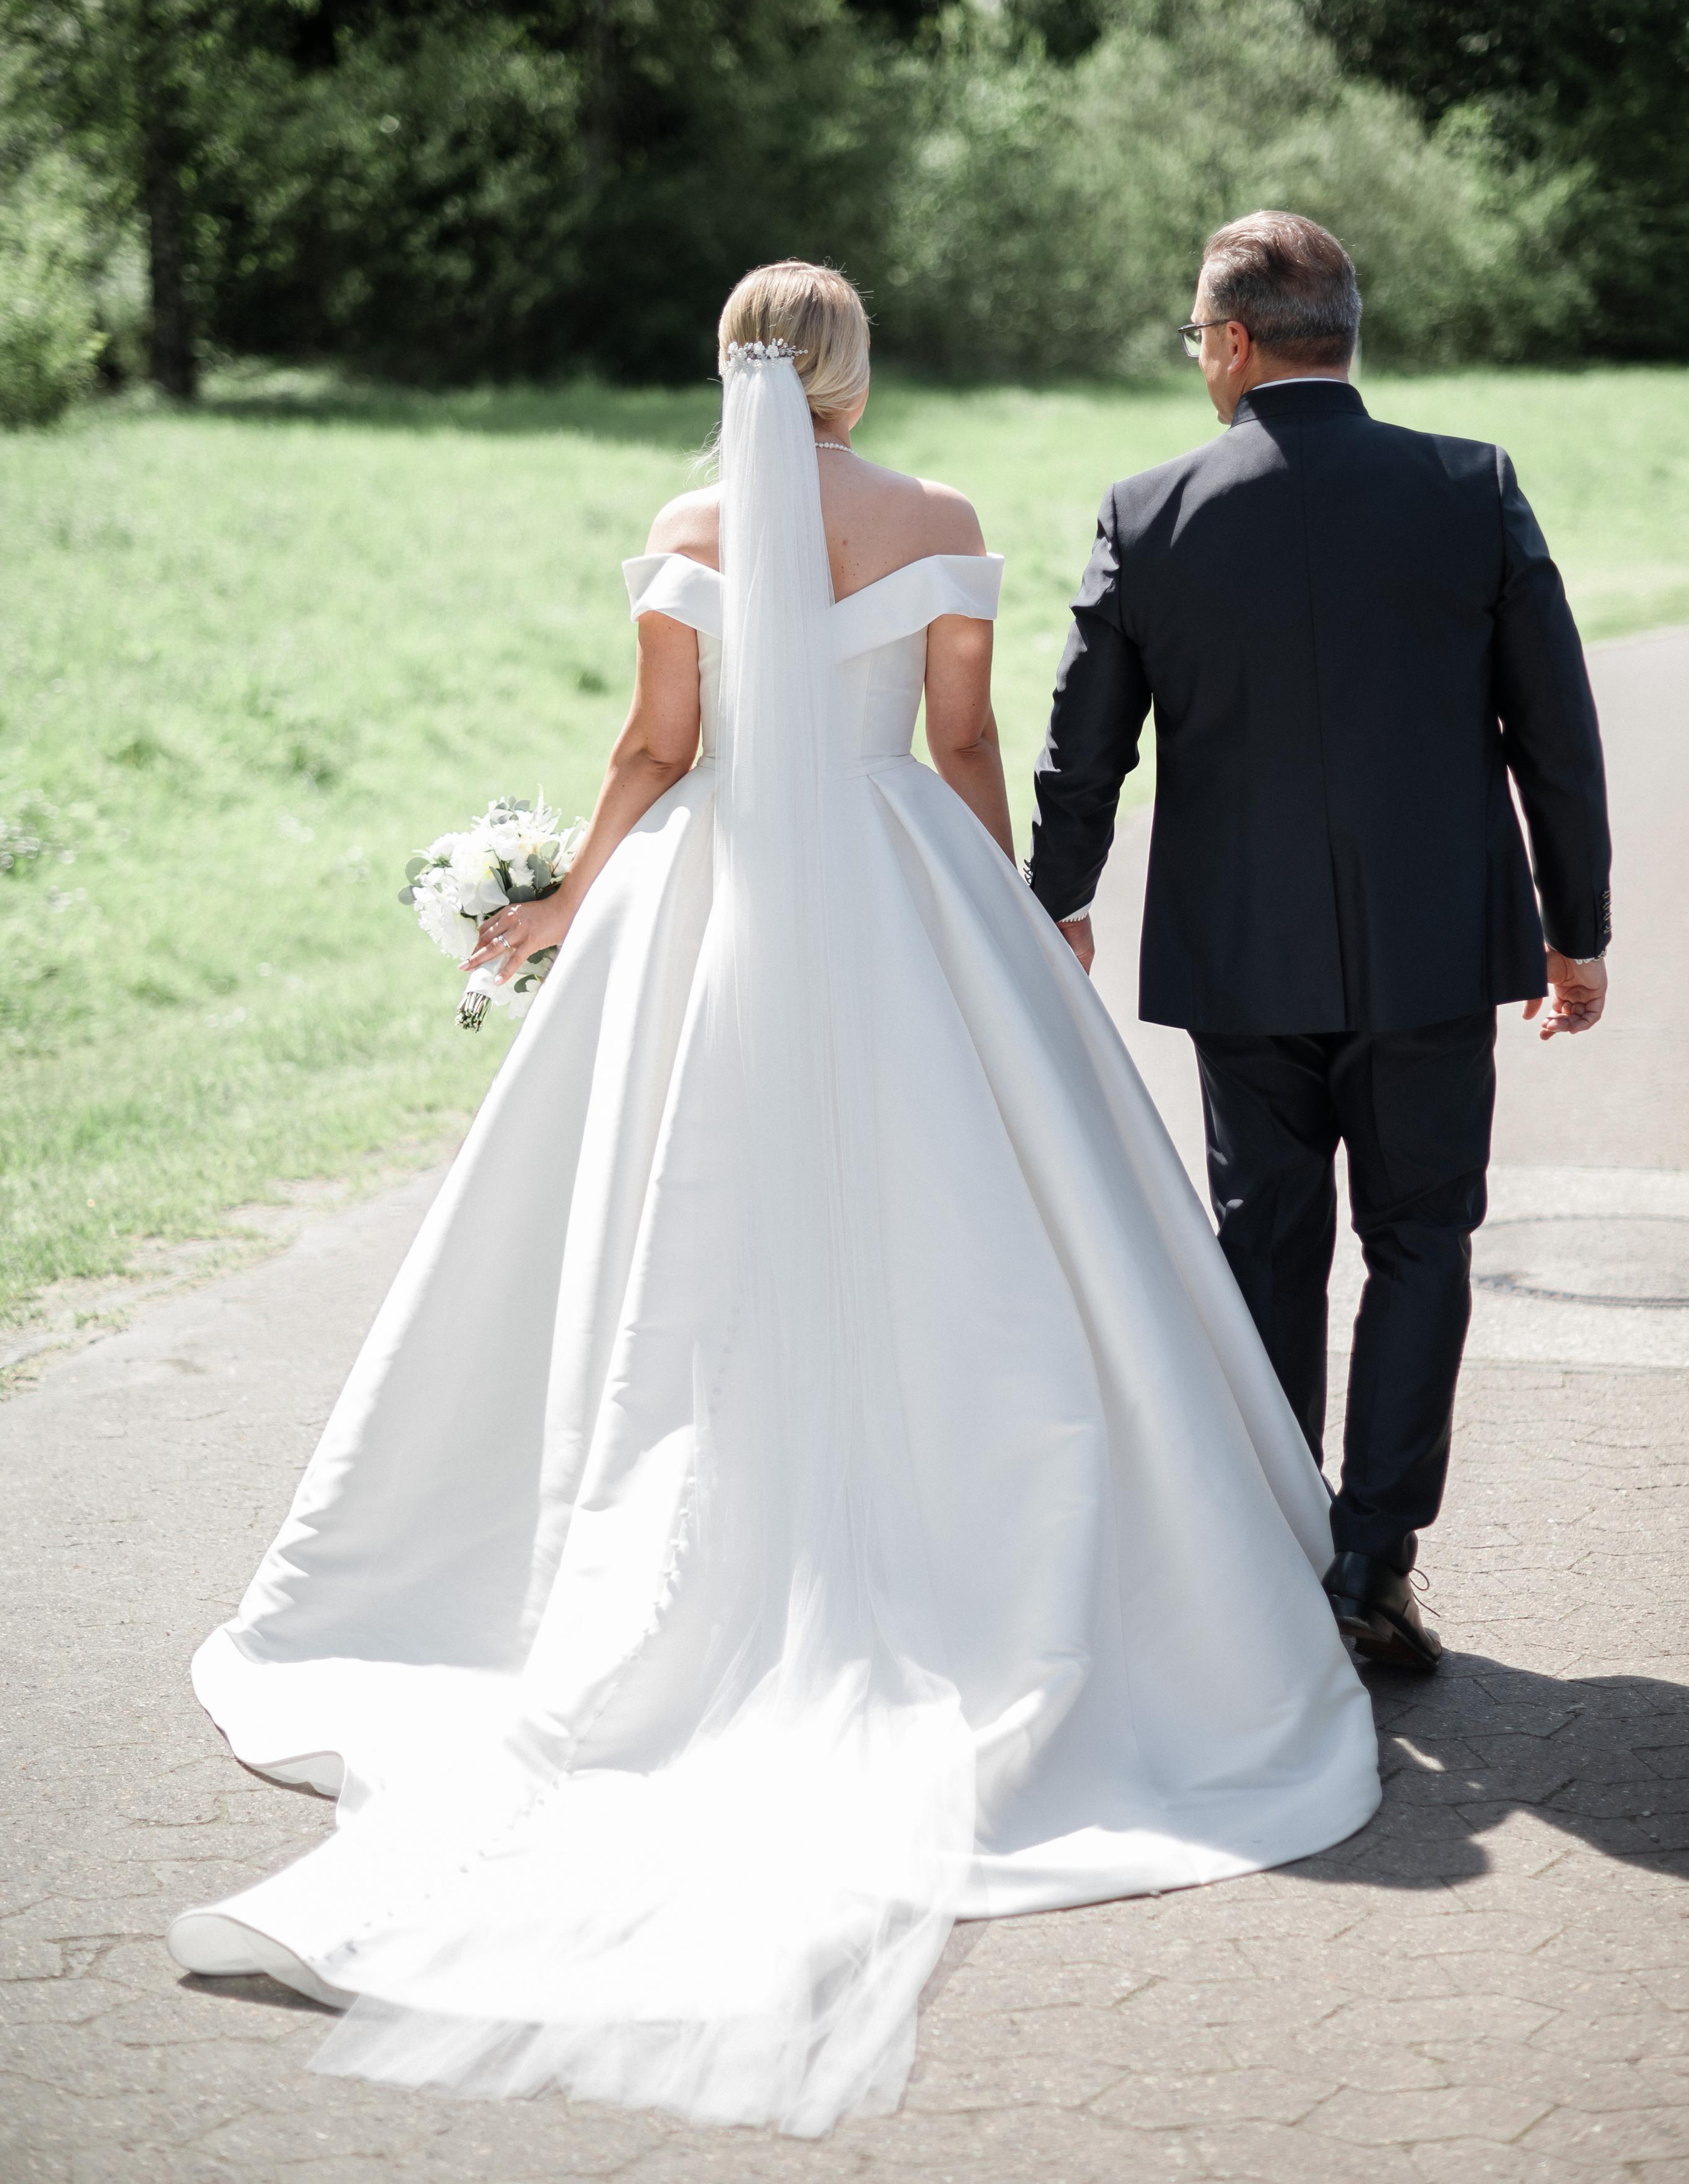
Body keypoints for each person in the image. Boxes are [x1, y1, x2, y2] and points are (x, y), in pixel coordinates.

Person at [168, 261, 1378, 2135]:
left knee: (671, 1238)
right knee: (993, 1231)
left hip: (706, 910)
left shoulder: (684, 527)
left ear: (730, 370)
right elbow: (960, 740)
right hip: (901, 887)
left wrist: (561, 896)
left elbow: (662, 749)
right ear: (853, 376)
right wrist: (1003, 909)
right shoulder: (943, 521)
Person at [1029, 211, 1612, 1675]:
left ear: (1229, 342)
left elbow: (1081, 749)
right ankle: (1371, 1563)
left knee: (1267, 1241)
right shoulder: (1466, 487)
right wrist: (1574, 928)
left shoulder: (1146, 509)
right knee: (1421, 1241)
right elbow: (1554, 727)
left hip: (1238, 951)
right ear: (1340, 331)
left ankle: (1274, 1548)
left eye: (1192, 338)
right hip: (1429, 953)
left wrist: (1055, 902)